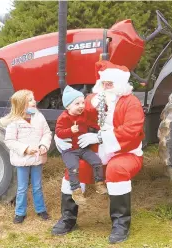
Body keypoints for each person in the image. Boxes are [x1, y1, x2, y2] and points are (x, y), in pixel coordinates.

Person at [51, 61, 145, 244]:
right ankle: (68, 218)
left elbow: (132, 131)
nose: (106, 87)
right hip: (97, 152)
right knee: (76, 168)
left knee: (116, 170)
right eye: (104, 83)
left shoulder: (131, 103)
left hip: (125, 151)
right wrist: (61, 137)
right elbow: (70, 118)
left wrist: (100, 138)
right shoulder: (91, 101)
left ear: (119, 84)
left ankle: (120, 223)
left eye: (110, 84)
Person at [0, 89, 52, 224]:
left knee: (37, 185)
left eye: (33, 99)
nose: (34, 101)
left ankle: (41, 210)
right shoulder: (14, 122)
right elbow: (10, 141)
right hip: (22, 159)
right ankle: (20, 212)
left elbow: (47, 133)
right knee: (22, 187)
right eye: (30, 100)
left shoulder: (39, 117)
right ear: (21, 104)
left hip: (37, 158)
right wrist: (26, 149)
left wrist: (43, 146)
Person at [55, 85, 108, 205]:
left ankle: (99, 183)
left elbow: (91, 122)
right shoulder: (63, 118)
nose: (81, 106)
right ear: (68, 106)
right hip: (70, 150)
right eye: (77, 104)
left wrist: (102, 130)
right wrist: (69, 131)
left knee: (96, 161)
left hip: (83, 148)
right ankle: (76, 191)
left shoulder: (83, 115)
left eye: (82, 103)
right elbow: (59, 132)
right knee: (73, 167)